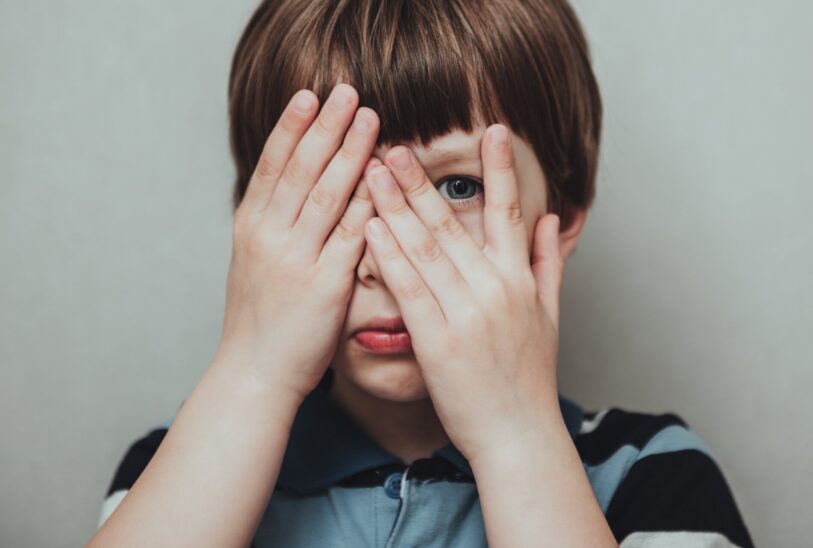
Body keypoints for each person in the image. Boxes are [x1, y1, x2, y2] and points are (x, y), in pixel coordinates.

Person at [87, 0, 754, 546]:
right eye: (332, 186)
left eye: (458, 187)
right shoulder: (177, 471)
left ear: (563, 216)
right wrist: (254, 371)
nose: (384, 259)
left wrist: (512, 434)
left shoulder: (651, 471)